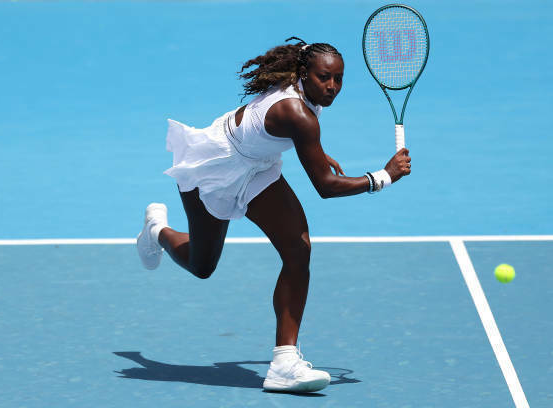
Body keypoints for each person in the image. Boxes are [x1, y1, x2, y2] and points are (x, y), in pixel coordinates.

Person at [137, 37, 412, 393]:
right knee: (201, 265)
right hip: (217, 167)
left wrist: (316, 151)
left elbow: (297, 134)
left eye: (339, 79)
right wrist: (384, 176)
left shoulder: (303, 98)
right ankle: (156, 230)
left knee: (299, 250)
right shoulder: (298, 114)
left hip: (257, 167)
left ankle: (284, 363)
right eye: (324, 77)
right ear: (304, 75)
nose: (332, 86)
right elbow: (326, 186)